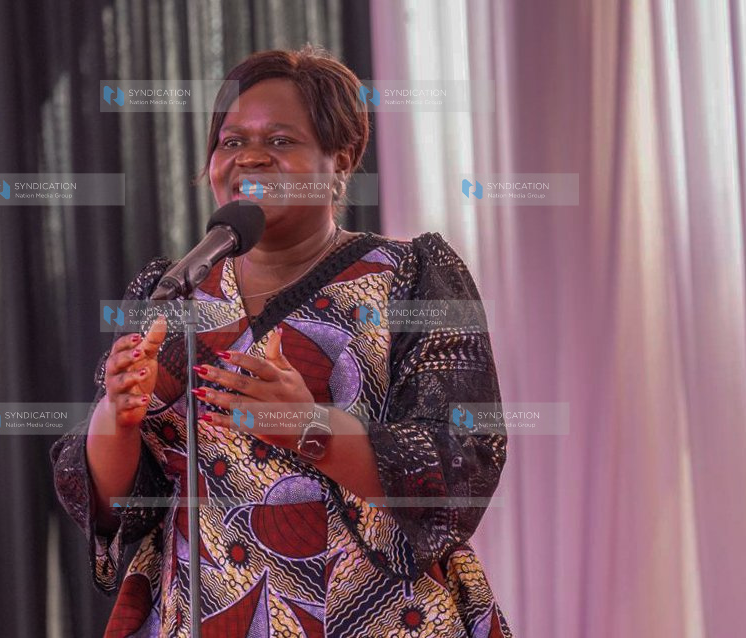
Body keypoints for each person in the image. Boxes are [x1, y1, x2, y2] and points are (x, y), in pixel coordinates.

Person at [52, 45, 512, 637]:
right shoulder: (171, 292)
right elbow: (119, 503)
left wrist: (309, 425)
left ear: (340, 160)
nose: (250, 158)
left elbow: (460, 464)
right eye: (231, 141)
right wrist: (114, 418)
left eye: (280, 141)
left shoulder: (408, 275)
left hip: (372, 613)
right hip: (202, 610)